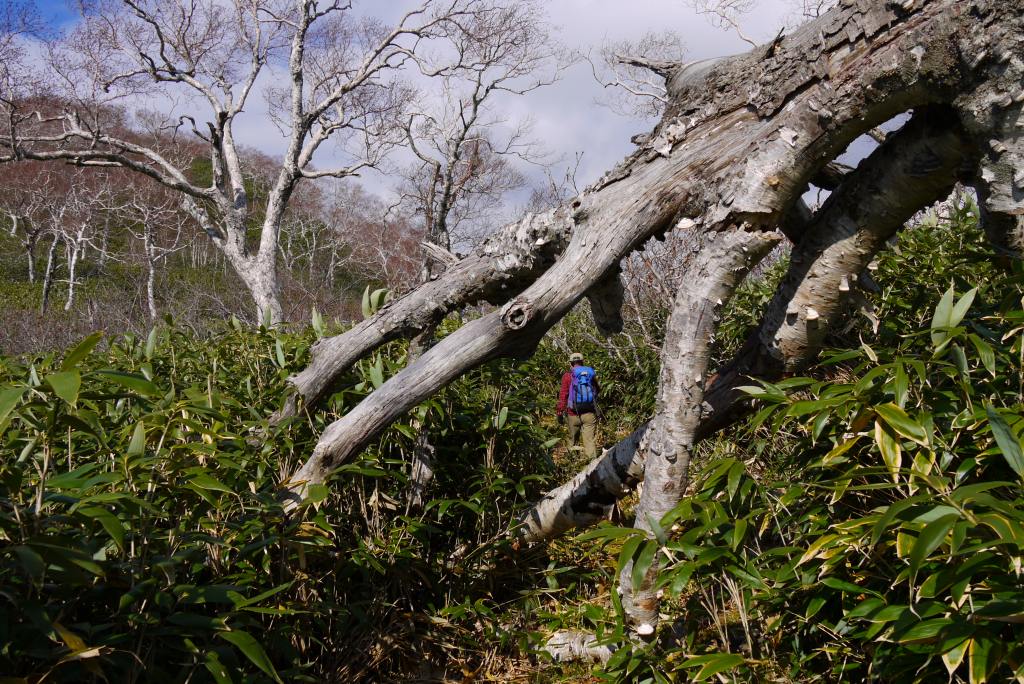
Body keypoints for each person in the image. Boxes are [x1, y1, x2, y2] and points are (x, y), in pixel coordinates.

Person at [556, 352, 600, 459]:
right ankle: (592, 466)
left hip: (573, 414)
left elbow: (563, 395)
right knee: (589, 441)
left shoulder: (567, 376)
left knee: (572, 440)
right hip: (589, 413)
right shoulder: (589, 373)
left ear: (571, 364)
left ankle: (572, 463)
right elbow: (597, 389)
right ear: (582, 362)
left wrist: (559, 412)